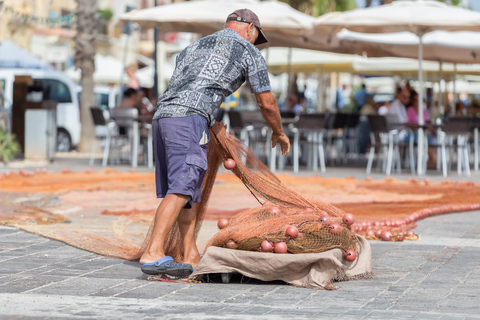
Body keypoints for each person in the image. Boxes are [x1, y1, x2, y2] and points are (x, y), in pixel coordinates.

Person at [139, 9, 291, 277]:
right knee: (184, 187)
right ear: (250, 29)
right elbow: (266, 101)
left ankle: (190, 253)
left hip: (163, 117)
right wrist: (279, 132)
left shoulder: (191, 47)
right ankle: (153, 252)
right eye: (256, 36)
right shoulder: (248, 50)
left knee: (190, 190)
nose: (255, 41)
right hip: (189, 118)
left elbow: (187, 85)